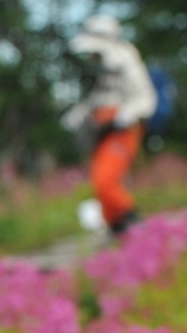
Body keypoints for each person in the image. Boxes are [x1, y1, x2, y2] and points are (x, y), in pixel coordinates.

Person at [63, 15, 156, 237]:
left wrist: (124, 116)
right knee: (98, 181)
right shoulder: (100, 66)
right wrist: (81, 114)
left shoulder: (126, 60)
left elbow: (145, 98)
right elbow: (100, 98)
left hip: (123, 130)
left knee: (106, 180)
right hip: (102, 131)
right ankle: (117, 228)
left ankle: (133, 222)